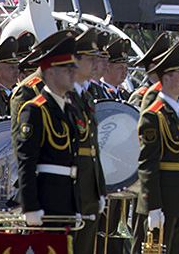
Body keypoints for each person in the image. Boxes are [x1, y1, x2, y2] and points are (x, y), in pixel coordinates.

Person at [137, 43, 179, 254]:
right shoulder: (153, 115)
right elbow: (148, 165)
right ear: (165, 79)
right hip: (163, 200)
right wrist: (152, 206)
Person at [13, 33, 82, 226]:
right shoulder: (35, 109)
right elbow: (26, 162)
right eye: (66, 69)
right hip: (44, 202)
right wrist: (30, 206)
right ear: (50, 73)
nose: (72, 74)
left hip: (65, 201)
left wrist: (75, 205)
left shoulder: (69, 109)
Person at [71, 30, 107, 254]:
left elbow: (93, 149)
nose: (97, 63)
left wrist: (99, 189)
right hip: (72, 191)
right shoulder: (65, 98)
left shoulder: (85, 97)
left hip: (89, 189)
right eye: (90, 59)